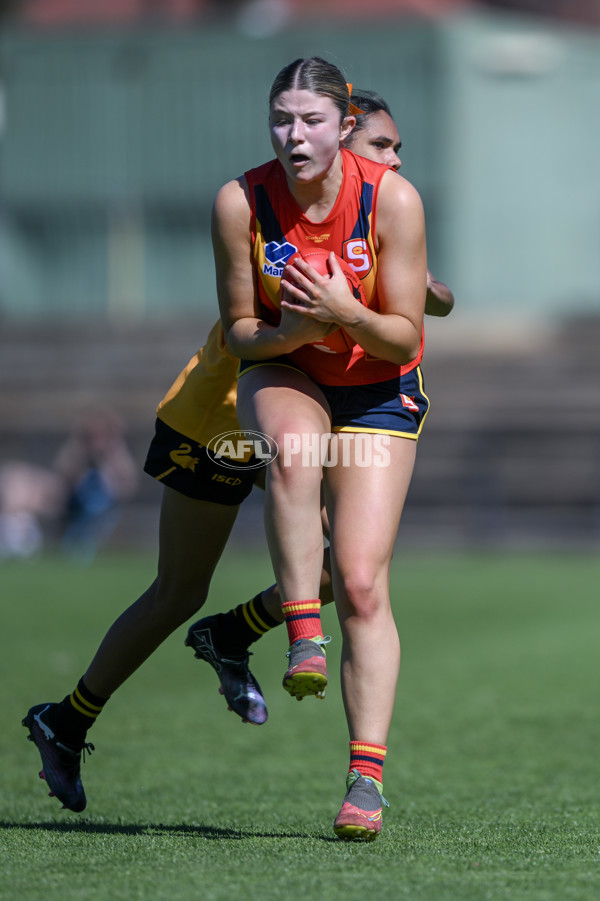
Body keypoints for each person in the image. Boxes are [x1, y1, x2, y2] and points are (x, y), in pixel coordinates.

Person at [22, 82, 452, 824]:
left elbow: (419, 304)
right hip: (222, 413)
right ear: (337, 141)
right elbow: (251, 326)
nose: (395, 160)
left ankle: (239, 634)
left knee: (350, 570)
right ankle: (70, 715)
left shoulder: (380, 206)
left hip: (320, 413)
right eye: (383, 145)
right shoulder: (265, 202)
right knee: (178, 589)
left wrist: (412, 292)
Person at [212, 57, 429, 841]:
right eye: (281, 118)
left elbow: (405, 332)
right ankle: (304, 627)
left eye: (309, 120)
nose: (292, 134)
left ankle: (364, 782)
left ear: (343, 126)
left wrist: (343, 311)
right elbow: (241, 329)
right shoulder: (241, 200)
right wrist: (294, 333)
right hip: (285, 365)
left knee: (365, 581)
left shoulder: (392, 200)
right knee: (292, 452)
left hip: (376, 385)